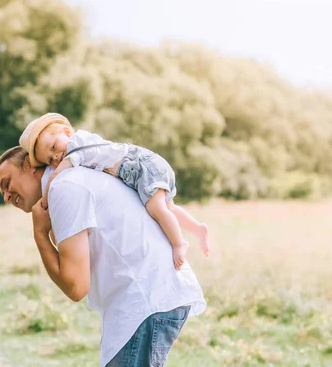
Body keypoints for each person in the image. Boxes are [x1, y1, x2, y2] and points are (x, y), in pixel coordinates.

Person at [0, 146, 206, 367]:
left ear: (30, 166)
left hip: (146, 299)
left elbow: (76, 287)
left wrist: (40, 235)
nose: (5, 196)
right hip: (142, 300)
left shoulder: (64, 188)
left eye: (6, 183)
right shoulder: (69, 183)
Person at [19, 112, 210, 270]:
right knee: (169, 208)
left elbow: (56, 176)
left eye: (53, 147)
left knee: (157, 209)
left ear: (67, 131)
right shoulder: (72, 150)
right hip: (139, 169)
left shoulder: (77, 144)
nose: (56, 157)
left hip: (140, 166)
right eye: (50, 159)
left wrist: (44, 200)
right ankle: (197, 228)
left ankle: (179, 243)